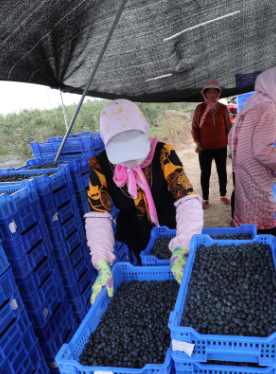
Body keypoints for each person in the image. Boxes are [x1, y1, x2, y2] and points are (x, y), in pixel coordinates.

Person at [85, 99, 203, 303]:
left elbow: (187, 199)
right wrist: (101, 260)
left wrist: (183, 244)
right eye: (122, 152)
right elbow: (98, 215)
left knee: (184, 282)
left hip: (175, 229)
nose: (130, 158)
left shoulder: (164, 153)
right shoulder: (100, 166)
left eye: (134, 147)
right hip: (138, 235)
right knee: (159, 290)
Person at [228, 66, 276, 235]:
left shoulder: (253, 103)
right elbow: (262, 151)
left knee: (247, 219)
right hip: (254, 174)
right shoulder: (269, 110)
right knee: (264, 221)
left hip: (242, 171)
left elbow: (233, 136)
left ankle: (249, 240)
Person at [191, 80, 233, 209]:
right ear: (205, 94)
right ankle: (205, 198)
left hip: (221, 146)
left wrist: (232, 143)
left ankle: (223, 195)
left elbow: (229, 127)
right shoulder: (200, 108)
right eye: (209, 92)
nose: (211, 95)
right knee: (205, 173)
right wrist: (197, 143)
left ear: (218, 94)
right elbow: (195, 127)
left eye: (214, 92)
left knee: (222, 172)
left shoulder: (223, 108)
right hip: (204, 148)